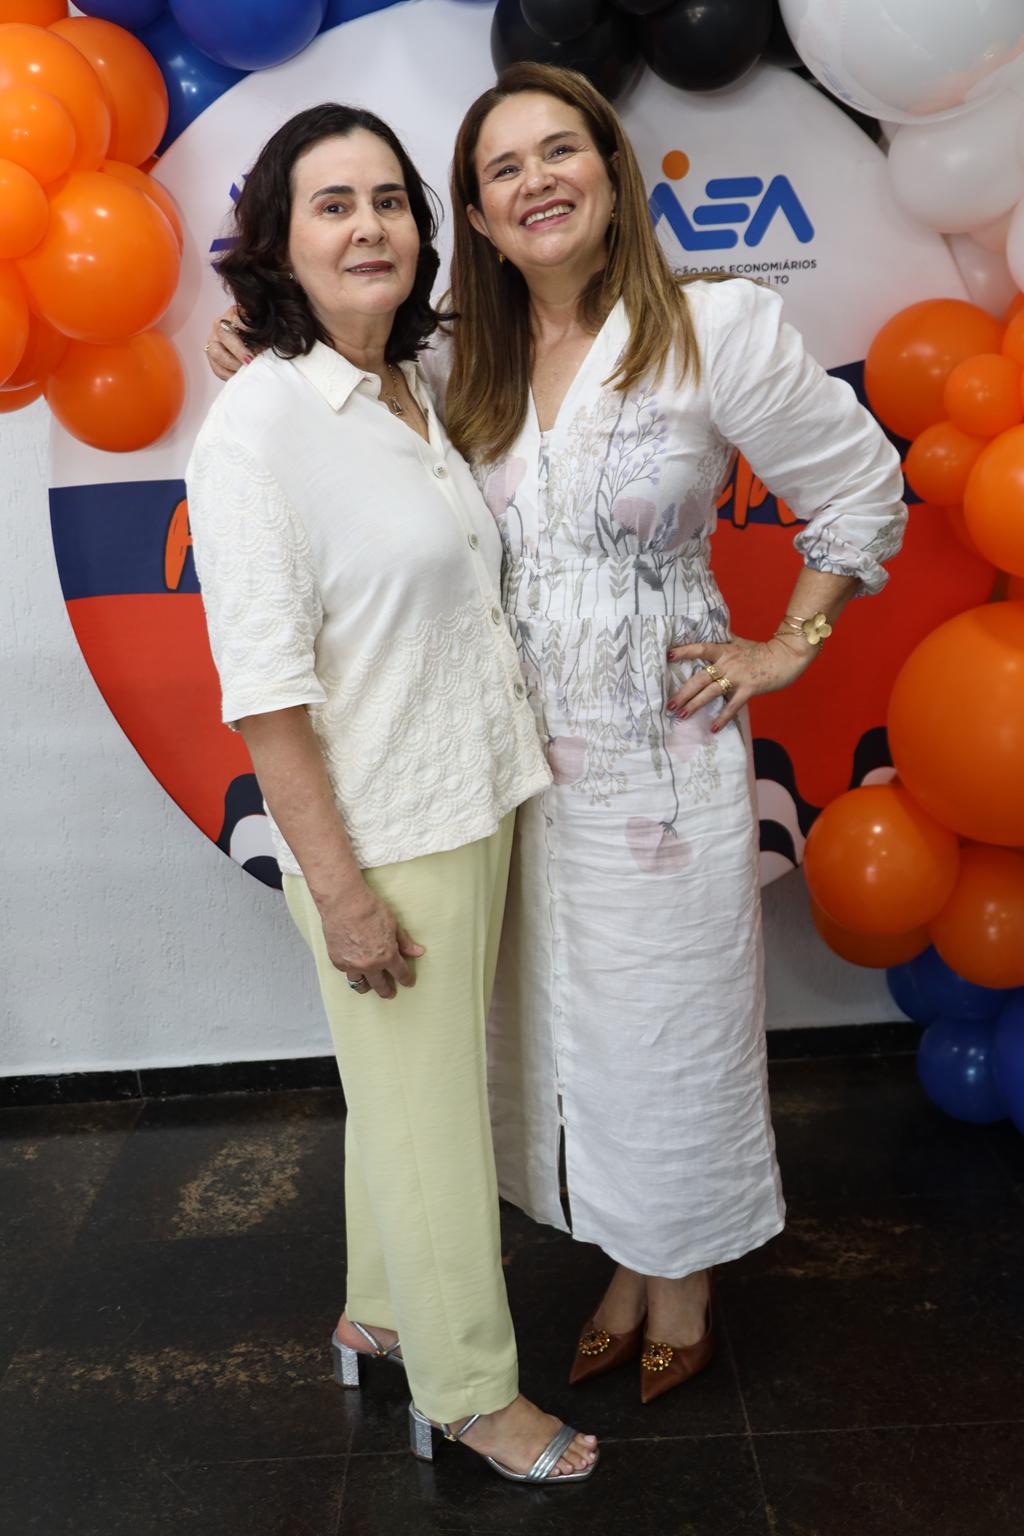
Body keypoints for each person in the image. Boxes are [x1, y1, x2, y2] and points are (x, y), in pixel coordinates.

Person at [206, 65, 906, 1404]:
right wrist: (252, 356)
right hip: (507, 777)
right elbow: (320, 404)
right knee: (564, 1039)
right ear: (474, 211)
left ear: (612, 172)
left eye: (559, 151)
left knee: (672, 1029)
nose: (536, 181)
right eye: (502, 167)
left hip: (662, 774)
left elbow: (864, 487)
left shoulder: (714, 328)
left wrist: (785, 646)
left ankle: (680, 1275)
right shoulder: (449, 356)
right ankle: (621, 1252)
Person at [187, 102, 598, 1484]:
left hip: (471, 792)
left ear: (422, 230)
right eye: (331, 205)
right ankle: (473, 1395)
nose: (368, 227)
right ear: (278, 242)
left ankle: (377, 1312)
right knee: (435, 1126)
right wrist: (344, 893)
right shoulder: (259, 428)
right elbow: (266, 697)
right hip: (383, 839)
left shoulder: (412, 381)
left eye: (387, 202)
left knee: (407, 1098)